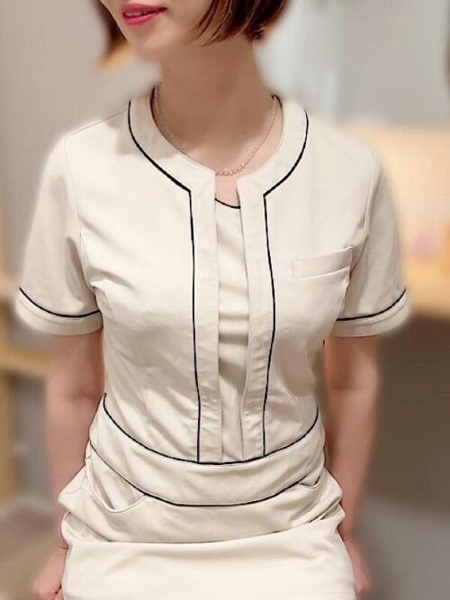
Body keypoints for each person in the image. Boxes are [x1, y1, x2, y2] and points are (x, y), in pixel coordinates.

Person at [14, 1, 413, 599]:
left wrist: (346, 532)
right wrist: (64, 544)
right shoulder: (81, 168)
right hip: (124, 530)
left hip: (293, 530)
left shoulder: (349, 174)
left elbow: (353, 381)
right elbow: (72, 386)